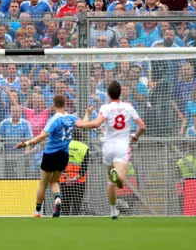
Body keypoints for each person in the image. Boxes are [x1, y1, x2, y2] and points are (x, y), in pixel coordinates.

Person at [76, 81, 146, 219]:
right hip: (122, 146)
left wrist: (82, 123)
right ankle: (117, 175)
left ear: (108, 94)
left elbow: (96, 123)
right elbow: (142, 127)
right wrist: (136, 137)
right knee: (120, 183)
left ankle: (113, 211)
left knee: (110, 182)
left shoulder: (106, 108)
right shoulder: (128, 107)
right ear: (120, 93)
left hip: (107, 146)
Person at [14, 94, 90, 218]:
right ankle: (57, 198)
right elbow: (83, 125)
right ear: (65, 105)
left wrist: (27, 143)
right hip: (64, 155)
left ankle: (37, 211)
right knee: (54, 181)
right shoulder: (72, 117)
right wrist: (87, 113)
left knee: (43, 184)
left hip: (50, 154)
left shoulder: (54, 119)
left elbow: (42, 136)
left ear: (53, 105)